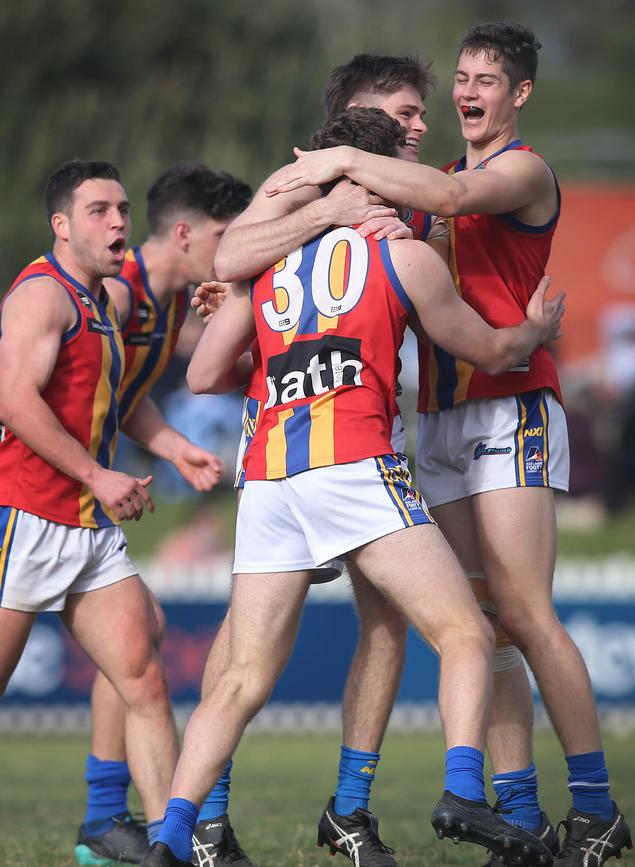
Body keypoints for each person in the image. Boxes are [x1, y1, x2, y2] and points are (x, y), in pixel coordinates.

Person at [141, 107, 564, 867]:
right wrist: (534, 333)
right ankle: (465, 788)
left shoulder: (266, 262)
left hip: (268, 474)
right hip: (354, 462)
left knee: (238, 676)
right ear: (373, 180)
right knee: (466, 631)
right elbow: (491, 352)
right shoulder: (402, 256)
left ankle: (170, 833)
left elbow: (203, 372)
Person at [265, 24, 633, 866]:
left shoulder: (520, 170)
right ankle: (517, 815)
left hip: (510, 408)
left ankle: (598, 810)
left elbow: (456, 202)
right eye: (462, 77)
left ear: (520, 94)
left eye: (487, 80)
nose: (468, 92)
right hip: (438, 418)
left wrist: (335, 161)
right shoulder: (434, 187)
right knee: (489, 624)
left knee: (529, 614)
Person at [74, 163, 253, 867]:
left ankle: (106, 821)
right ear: (184, 233)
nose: (234, 248)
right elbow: (56, 394)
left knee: (136, 642)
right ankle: (112, 819)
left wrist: (178, 449)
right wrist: (100, 470)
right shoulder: (118, 295)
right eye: (224, 236)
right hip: (34, 498)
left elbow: (126, 396)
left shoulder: (173, 299)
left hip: (75, 498)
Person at [0, 160, 180, 852]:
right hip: (25, 517)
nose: (117, 223)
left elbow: (153, 326)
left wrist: (208, 297)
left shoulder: (103, 300)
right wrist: (97, 474)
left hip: (85, 528)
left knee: (144, 675)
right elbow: (14, 398)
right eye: (99, 210)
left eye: (123, 209)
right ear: (61, 225)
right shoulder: (41, 297)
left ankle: (168, 841)